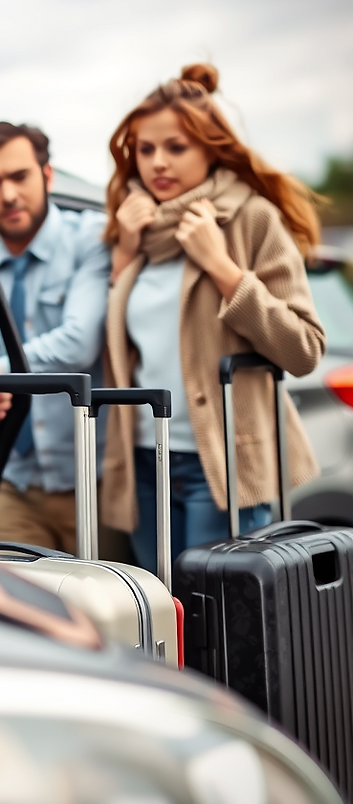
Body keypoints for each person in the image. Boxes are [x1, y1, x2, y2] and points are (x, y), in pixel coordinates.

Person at [101, 63, 325, 568]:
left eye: (176, 147)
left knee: (216, 630)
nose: (158, 162)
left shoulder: (250, 218)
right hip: (142, 464)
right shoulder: (133, 232)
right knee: (156, 623)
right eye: (146, 149)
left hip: (221, 466)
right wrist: (122, 260)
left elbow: (305, 348)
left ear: (211, 149)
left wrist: (222, 267)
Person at [0, 122, 110, 554]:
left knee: (118, 616)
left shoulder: (92, 240)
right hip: (12, 482)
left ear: (47, 177)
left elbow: (80, 341)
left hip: (100, 481)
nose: (8, 195)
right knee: (19, 613)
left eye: (19, 177)